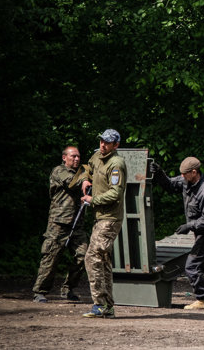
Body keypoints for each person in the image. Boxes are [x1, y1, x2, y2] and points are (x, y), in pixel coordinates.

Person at [150, 156, 204, 310]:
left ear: (194, 172)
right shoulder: (187, 181)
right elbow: (170, 185)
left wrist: (189, 226)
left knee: (191, 266)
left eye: (185, 174)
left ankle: (202, 299)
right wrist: (159, 173)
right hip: (201, 230)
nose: (182, 177)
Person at [31, 146, 88, 303]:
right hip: (58, 223)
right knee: (51, 257)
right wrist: (86, 178)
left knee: (84, 256)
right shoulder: (59, 171)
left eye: (78, 157)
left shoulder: (82, 173)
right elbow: (71, 183)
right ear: (64, 157)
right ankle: (40, 291)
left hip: (76, 225)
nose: (76, 159)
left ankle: (68, 288)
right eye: (73, 156)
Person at [80, 129, 127, 318]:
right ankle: (107, 306)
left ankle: (99, 304)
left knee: (92, 257)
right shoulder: (97, 156)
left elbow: (116, 193)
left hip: (110, 218)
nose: (102, 145)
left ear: (116, 145)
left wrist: (93, 200)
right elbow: (87, 167)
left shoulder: (117, 164)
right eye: (101, 141)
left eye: (107, 143)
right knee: (103, 260)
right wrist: (84, 179)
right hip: (100, 217)